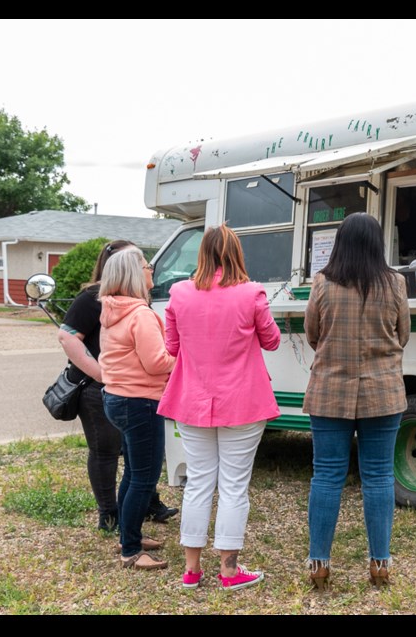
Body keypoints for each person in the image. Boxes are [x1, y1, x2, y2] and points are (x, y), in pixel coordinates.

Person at [157, 224, 281, 591]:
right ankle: (229, 570)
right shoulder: (252, 293)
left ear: (201, 254)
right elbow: (272, 341)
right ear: (236, 254)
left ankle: (192, 571)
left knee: (197, 483)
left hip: (193, 401)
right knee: (233, 487)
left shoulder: (178, 293)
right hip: (243, 403)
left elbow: (173, 347)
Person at [302, 212, 410, 590]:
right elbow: (404, 335)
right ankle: (380, 562)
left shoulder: (323, 284)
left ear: (340, 243)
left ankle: (319, 562)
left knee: (327, 475)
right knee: (379, 476)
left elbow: (313, 334)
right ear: (378, 243)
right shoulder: (395, 283)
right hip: (383, 392)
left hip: (329, 390)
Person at [58, 240, 178, 534]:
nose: (149, 269)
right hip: (103, 387)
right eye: (143, 264)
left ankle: (141, 511)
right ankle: (110, 516)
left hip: (123, 388)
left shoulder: (123, 301)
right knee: (108, 453)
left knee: (136, 461)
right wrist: (103, 373)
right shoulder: (92, 298)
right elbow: (67, 337)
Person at [98, 247, 177, 570]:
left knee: (133, 472)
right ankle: (130, 550)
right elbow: (157, 363)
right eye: (146, 266)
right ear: (134, 274)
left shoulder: (111, 310)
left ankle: (129, 534)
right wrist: (185, 359)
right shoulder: (140, 314)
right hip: (140, 401)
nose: (151, 270)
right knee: (144, 477)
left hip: (116, 398)